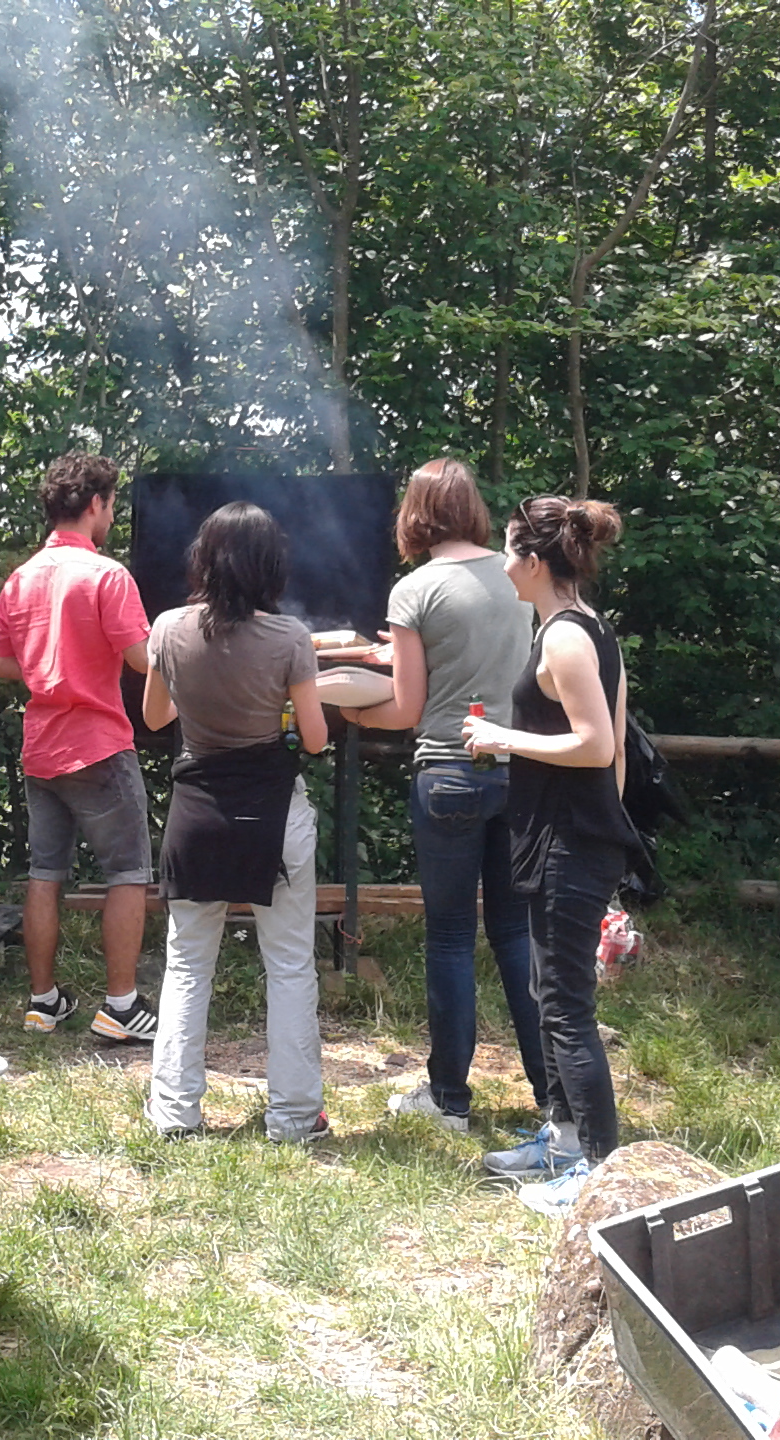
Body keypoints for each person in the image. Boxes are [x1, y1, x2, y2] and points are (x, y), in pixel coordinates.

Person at [340, 458, 545, 1133]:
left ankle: (450, 1100)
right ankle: (554, 1097)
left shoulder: (416, 588)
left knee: (452, 938)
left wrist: (352, 711)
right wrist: (400, 655)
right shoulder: (518, 577)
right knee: (517, 935)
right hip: (521, 770)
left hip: (450, 776)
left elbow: (406, 709)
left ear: (415, 514)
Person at [461, 495, 641, 1214]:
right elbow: (616, 749)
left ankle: (597, 1172)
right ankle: (563, 1142)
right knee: (548, 994)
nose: (503, 565)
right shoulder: (586, 628)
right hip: (568, 838)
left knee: (567, 1006)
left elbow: (597, 745)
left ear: (535, 562)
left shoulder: (566, 638)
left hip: (572, 843)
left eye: (510, 551)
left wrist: (501, 739)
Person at [141, 502, 331, 1143]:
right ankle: (295, 1118)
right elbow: (314, 739)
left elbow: (156, 718)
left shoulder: (168, 628)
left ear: (203, 559)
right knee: (290, 965)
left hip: (196, 811)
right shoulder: (290, 638)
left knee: (187, 965)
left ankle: (174, 1113)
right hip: (272, 815)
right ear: (270, 566)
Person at [0, 452, 161, 1041]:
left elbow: (2, 664)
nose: (111, 517)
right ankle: (120, 1007)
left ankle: (43, 1003)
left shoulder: (21, 579)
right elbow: (142, 659)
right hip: (99, 744)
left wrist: (50, 663)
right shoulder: (107, 575)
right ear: (95, 504)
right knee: (128, 873)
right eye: (111, 506)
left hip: (41, 748)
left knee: (45, 873)